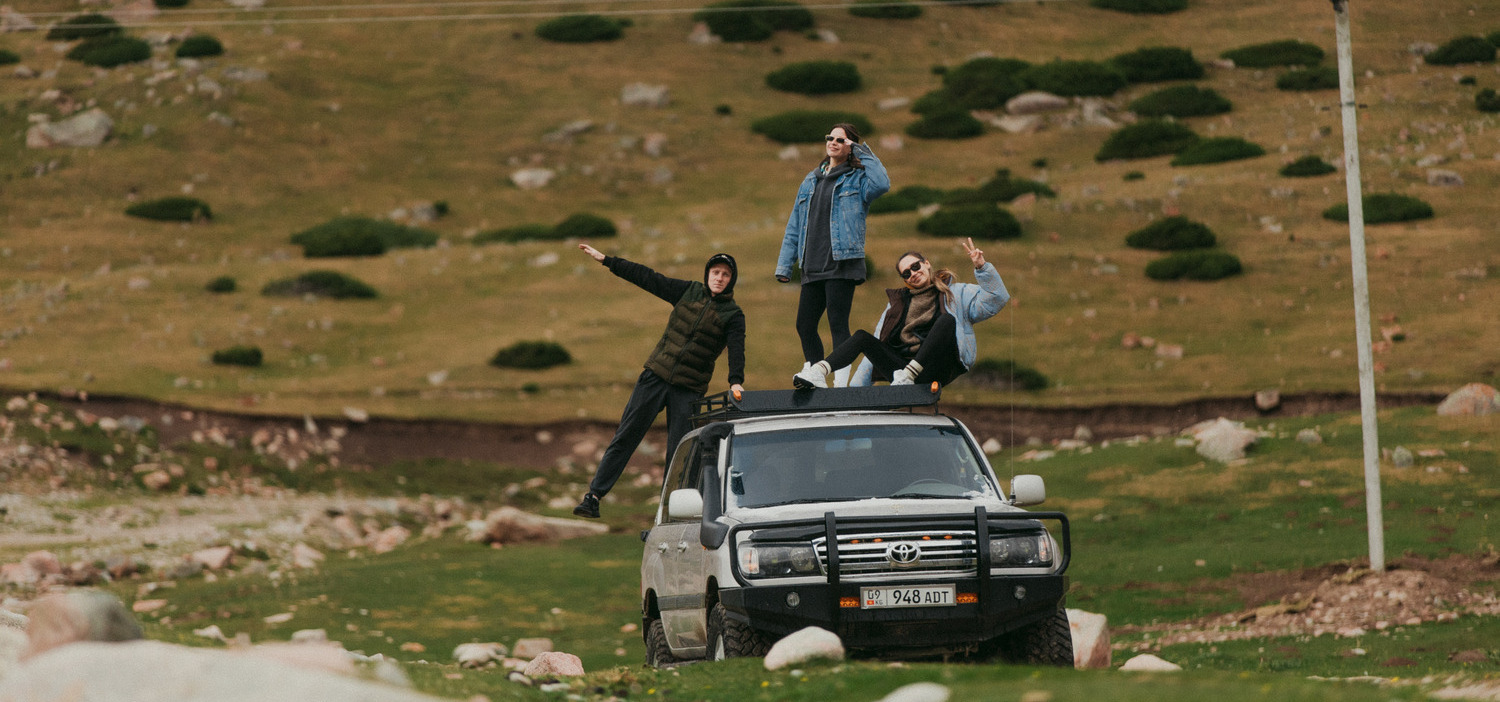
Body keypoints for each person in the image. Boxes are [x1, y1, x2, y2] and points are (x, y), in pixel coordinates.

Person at [572, 244, 746, 519]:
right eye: (715, 272)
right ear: (707, 274)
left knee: (679, 452)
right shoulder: (687, 291)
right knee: (626, 435)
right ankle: (593, 497)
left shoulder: (733, 315)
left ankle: (668, 514)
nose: (719, 278)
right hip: (655, 376)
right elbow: (647, 277)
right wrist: (607, 260)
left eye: (725, 274)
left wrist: (736, 381)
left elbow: (737, 348)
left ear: (731, 280)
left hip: (688, 389)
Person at [793, 238, 1008, 389]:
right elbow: (876, 347)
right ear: (904, 280)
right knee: (861, 337)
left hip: (936, 367)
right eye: (906, 273)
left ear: (926, 263)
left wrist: (982, 268)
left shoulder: (957, 293)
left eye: (915, 266)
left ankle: (908, 376)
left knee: (946, 321)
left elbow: (997, 299)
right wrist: (855, 395)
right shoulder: (896, 305)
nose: (913, 273)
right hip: (899, 371)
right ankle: (819, 372)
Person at [775, 122, 890, 389]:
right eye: (830, 138)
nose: (833, 142)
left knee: (838, 323)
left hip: (841, 262)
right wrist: (785, 265)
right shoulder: (810, 180)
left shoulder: (858, 179)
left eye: (841, 140)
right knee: (804, 325)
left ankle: (840, 383)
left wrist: (861, 151)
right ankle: (816, 377)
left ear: (850, 147)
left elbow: (882, 184)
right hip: (812, 264)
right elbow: (794, 224)